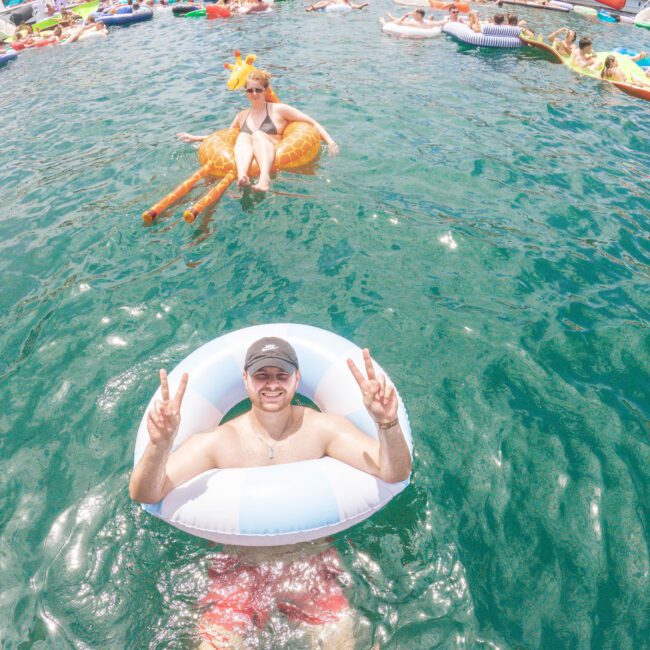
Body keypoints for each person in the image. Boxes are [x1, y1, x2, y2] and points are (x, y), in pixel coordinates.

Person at [130, 337, 412, 648]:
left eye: (281, 375)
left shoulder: (323, 430)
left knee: (343, 643)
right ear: (245, 381)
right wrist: (160, 443)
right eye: (262, 375)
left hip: (311, 566)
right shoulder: (218, 442)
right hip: (239, 570)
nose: (272, 384)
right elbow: (146, 493)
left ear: (297, 379)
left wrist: (387, 423)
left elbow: (393, 471)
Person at [176, 69, 339, 192]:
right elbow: (225, 136)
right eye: (250, 90)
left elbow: (313, 123)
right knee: (242, 136)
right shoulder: (241, 115)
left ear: (265, 90)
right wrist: (196, 138)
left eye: (258, 90)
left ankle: (264, 178)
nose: (254, 94)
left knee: (258, 135)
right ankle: (242, 177)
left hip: (272, 152)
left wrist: (330, 142)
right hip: (247, 155)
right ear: (245, 92)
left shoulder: (279, 110)